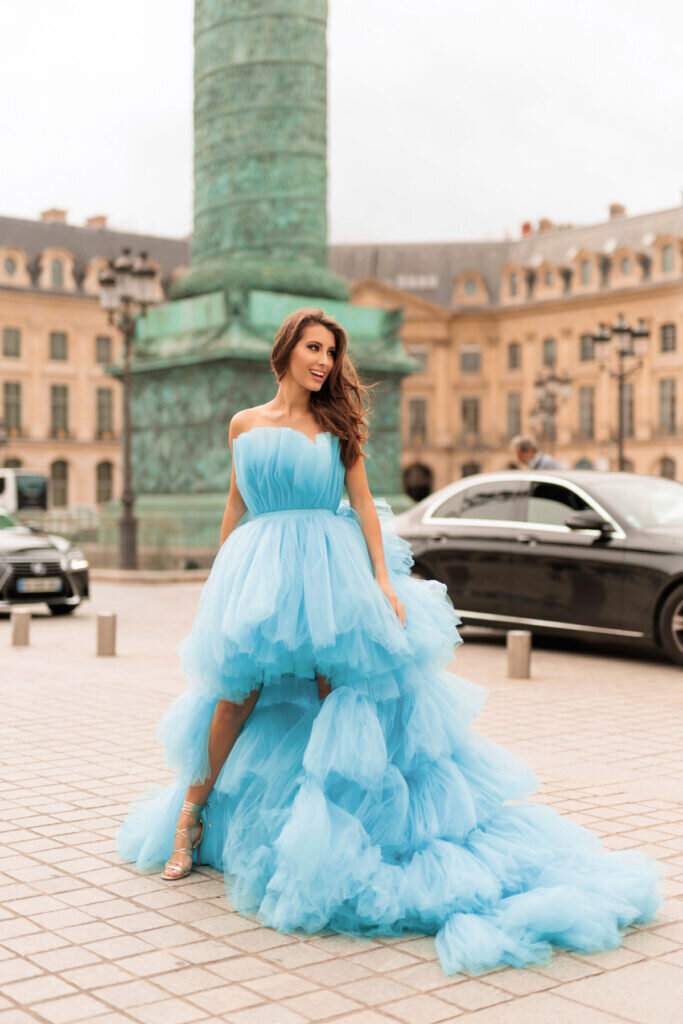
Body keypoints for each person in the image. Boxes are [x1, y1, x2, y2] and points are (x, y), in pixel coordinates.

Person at [118, 308, 661, 977]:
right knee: (234, 696)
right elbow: (237, 502)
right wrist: (219, 576)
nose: (323, 361)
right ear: (285, 349)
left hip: (328, 567)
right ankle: (189, 821)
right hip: (259, 571)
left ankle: (340, 828)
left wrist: (379, 576)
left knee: (332, 698)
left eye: (330, 352)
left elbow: (365, 502)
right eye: (313, 348)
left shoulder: (337, 424)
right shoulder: (243, 424)